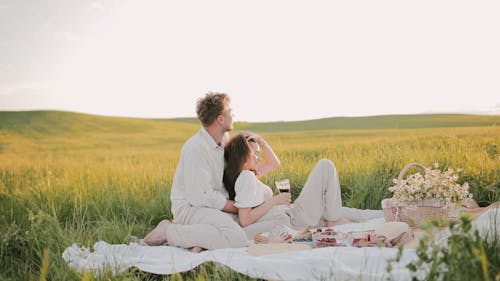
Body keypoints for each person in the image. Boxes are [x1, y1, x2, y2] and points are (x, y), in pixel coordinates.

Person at [223, 132, 384, 240]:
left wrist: (261, 142)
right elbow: (245, 220)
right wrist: (274, 201)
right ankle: (334, 221)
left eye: (259, 153)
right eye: (255, 153)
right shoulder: (246, 177)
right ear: (243, 155)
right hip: (293, 217)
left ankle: (392, 214)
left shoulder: (250, 174)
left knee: (350, 212)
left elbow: (274, 163)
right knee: (325, 165)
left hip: (292, 212)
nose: (259, 157)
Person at [144, 92, 248, 251]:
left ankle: (197, 241)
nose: (234, 115)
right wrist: (236, 207)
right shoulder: (196, 149)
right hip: (191, 208)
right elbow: (200, 197)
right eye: (230, 112)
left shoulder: (224, 139)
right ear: (220, 119)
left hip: (210, 206)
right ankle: (168, 231)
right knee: (237, 238)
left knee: (239, 224)